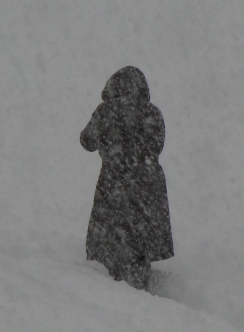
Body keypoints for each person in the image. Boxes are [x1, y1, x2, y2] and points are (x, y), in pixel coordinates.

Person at [80, 66, 174, 290]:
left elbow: (86, 141)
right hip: (150, 184)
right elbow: (156, 145)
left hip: (115, 181)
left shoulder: (107, 111)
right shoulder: (153, 113)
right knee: (142, 238)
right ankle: (141, 284)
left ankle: (110, 292)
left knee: (111, 237)